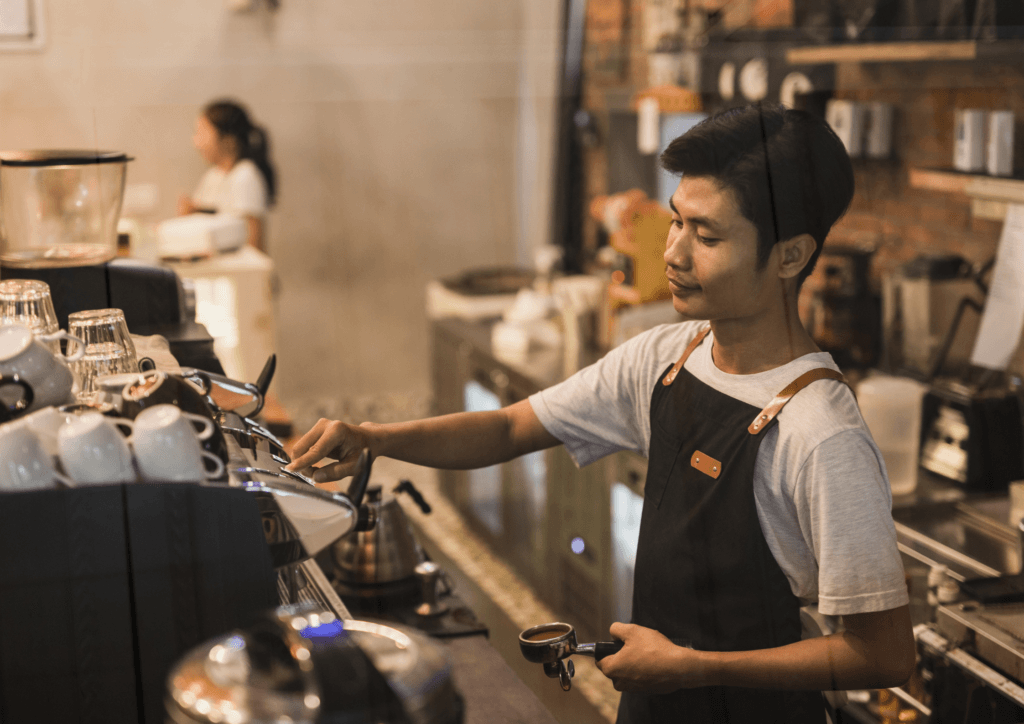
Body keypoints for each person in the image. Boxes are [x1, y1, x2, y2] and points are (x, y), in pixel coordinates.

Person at [286, 103, 915, 722]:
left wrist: (695, 668)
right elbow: (510, 426)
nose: (672, 253)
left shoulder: (819, 433)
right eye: (676, 223)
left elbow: (882, 654)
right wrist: (372, 438)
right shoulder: (669, 357)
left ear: (790, 256)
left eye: (708, 235)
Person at [178, 99, 277, 252]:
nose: (196, 142)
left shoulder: (245, 175)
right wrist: (192, 212)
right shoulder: (213, 175)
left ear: (228, 139)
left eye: (202, 132)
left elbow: (255, 241)